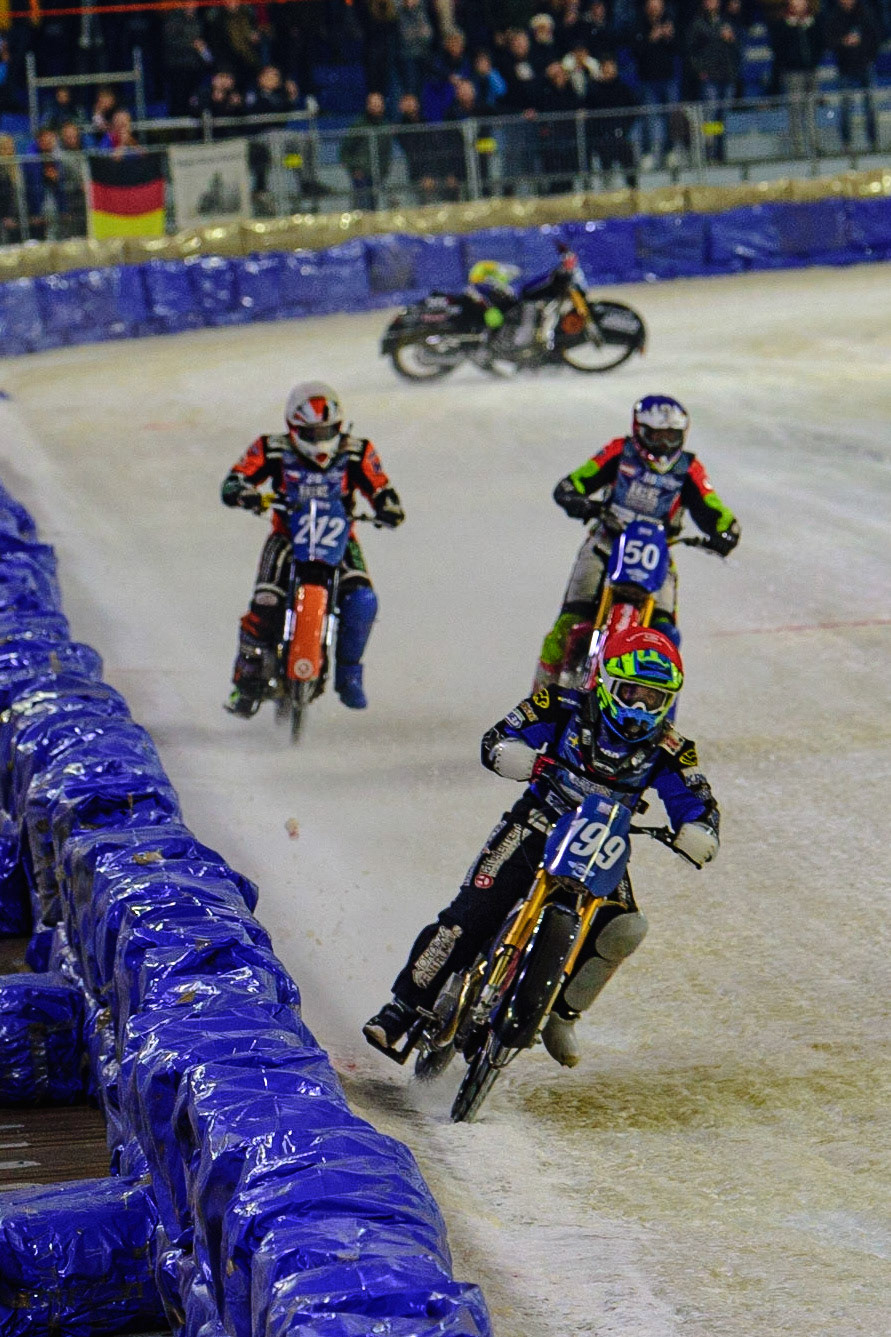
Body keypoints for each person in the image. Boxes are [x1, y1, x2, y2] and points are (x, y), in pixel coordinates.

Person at [364, 625, 720, 1069]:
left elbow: (698, 801)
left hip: (602, 842)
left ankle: (563, 1014)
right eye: (631, 692)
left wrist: (700, 829)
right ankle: (401, 1008)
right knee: (470, 914)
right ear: (608, 682)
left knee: (624, 927)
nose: (639, 708)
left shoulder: (671, 749)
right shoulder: (561, 704)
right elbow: (499, 737)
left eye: (652, 698)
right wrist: (514, 755)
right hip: (538, 821)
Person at [221, 381, 405, 716]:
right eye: (311, 433)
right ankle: (244, 684)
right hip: (287, 537)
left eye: (326, 431)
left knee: (362, 600)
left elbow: (381, 487)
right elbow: (234, 480)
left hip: (339, 537)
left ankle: (349, 675)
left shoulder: (358, 451)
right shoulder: (270, 448)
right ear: (293, 428)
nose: (320, 441)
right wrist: (243, 492)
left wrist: (388, 508)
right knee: (265, 602)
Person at [534, 395, 740, 687]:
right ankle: (538, 697)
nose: (664, 445)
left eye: (672, 437)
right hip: (605, 544)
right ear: (639, 430)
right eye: (656, 436)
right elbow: (574, 482)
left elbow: (713, 508)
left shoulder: (689, 468)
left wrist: (726, 531)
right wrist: (576, 499)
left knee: (667, 637)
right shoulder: (619, 451)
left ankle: (662, 722)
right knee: (568, 626)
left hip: (658, 556)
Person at [824, 0, 880, 151]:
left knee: (869, 105)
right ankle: (846, 143)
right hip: (845, 67)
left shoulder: (865, 13)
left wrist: (867, 55)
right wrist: (843, 42)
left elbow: (875, 36)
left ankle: (873, 141)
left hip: (865, 64)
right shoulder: (834, 16)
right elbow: (828, 41)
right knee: (845, 106)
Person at [339, 91, 392, 209]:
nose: (376, 106)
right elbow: (344, 152)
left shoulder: (386, 127)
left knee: (374, 207)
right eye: (373, 103)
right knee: (361, 207)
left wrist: (383, 171)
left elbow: (387, 153)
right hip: (360, 176)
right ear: (368, 105)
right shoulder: (359, 125)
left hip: (378, 175)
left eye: (379, 103)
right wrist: (355, 169)